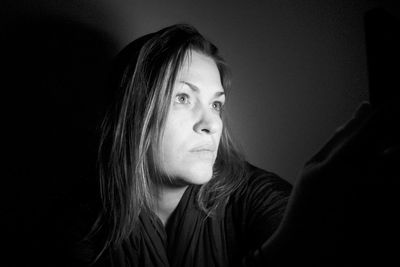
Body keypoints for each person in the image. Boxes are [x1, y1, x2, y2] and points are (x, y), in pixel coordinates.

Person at [81, 24, 398, 266]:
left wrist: (309, 231)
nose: (211, 123)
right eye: (183, 97)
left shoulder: (255, 195)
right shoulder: (87, 221)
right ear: (134, 110)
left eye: (216, 104)